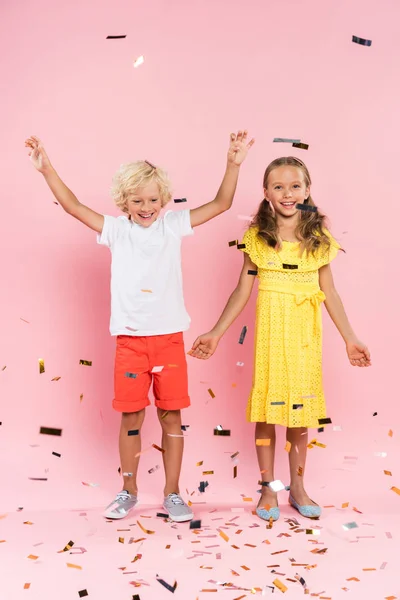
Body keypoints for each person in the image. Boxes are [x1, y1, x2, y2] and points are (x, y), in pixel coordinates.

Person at [25, 131, 255, 521]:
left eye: (152, 200)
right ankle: (128, 489)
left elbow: (221, 203)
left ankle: (173, 493)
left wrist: (233, 163)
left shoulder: (172, 227)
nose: (146, 207)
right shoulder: (116, 230)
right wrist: (46, 168)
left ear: (164, 200)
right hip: (130, 344)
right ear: (124, 202)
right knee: (131, 418)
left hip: (168, 341)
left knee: (172, 417)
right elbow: (72, 206)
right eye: (137, 200)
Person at [189, 156, 371, 521]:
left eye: (294, 186)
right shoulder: (257, 237)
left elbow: (330, 292)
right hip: (272, 332)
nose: (287, 193)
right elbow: (242, 289)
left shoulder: (319, 239)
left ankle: (299, 487)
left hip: (305, 334)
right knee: (268, 412)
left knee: (300, 414)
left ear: (307, 190)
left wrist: (350, 337)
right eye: (278, 186)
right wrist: (216, 332)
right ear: (266, 193)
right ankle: (269, 486)